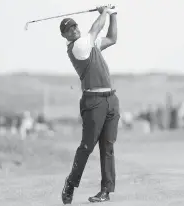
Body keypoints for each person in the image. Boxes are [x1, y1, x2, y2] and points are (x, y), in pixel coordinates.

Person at [59, 5, 119, 204]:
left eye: (75, 26)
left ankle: (105, 191)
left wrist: (114, 15)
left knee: (108, 147)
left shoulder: (90, 44)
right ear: (65, 36)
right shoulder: (78, 46)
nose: (74, 29)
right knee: (86, 147)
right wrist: (104, 11)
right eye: (69, 29)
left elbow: (112, 38)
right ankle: (70, 184)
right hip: (93, 102)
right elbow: (95, 29)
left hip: (110, 99)